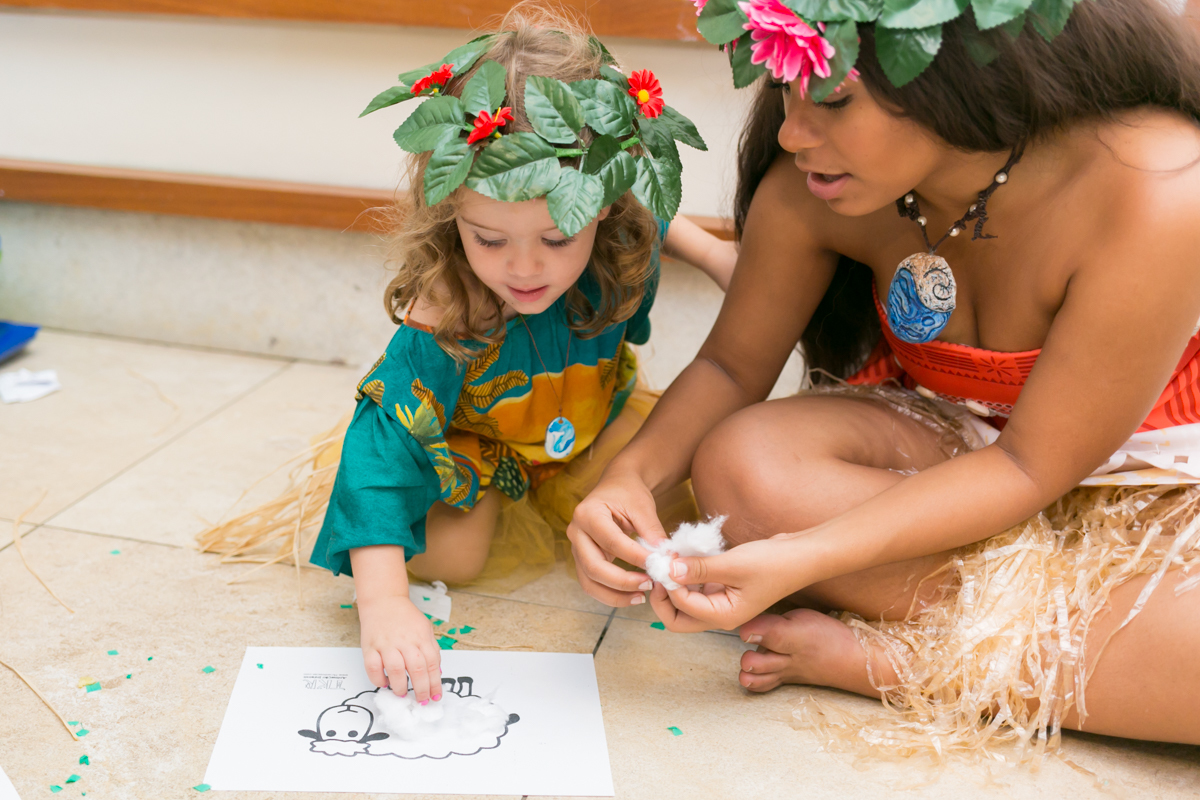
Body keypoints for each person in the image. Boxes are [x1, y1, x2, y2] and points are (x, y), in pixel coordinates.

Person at [567, 0, 1200, 754]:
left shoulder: (1160, 187)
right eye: (785, 94)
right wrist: (631, 476)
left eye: (832, 100)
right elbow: (731, 366)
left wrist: (807, 556)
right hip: (955, 445)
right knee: (743, 463)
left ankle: (898, 660)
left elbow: (1032, 464)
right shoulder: (812, 185)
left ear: (955, 72)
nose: (793, 133)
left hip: (1154, 486)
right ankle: (1054, 644)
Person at [264, 6, 740, 707]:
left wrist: (716, 256)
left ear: (601, 207)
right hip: (481, 447)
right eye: (488, 239)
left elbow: (655, 216)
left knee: (685, 480)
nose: (524, 269)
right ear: (449, 209)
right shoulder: (448, 309)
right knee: (455, 554)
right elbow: (383, 439)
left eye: (556, 238)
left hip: (587, 415)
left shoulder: (615, 230)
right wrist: (385, 599)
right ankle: (379, 535)